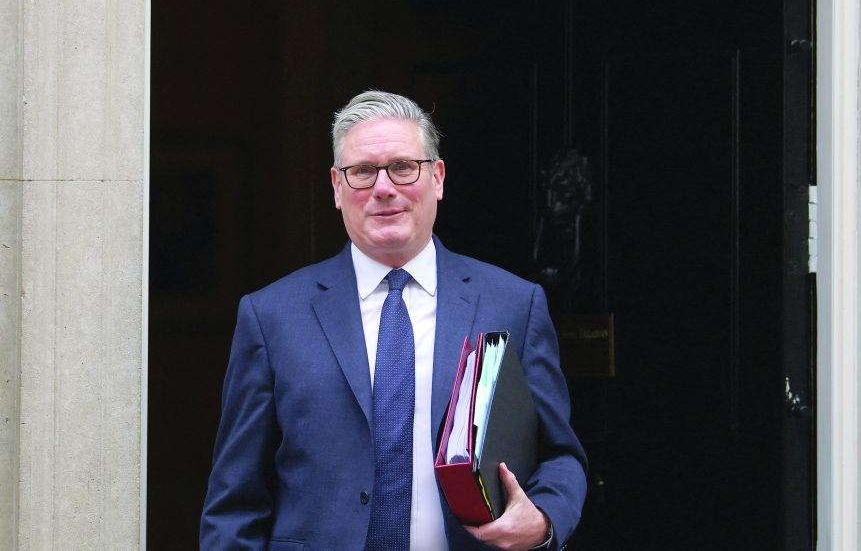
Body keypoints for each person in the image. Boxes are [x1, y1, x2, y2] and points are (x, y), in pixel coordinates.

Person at [201, 91, 587, 551]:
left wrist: (543, 519)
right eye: (362, 171)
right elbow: (235, 503)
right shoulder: (272, 317)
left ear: (438, 177)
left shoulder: (514, 304)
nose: (384, 187)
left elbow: (561, 455)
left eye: (404, 167)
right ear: (337, 187)